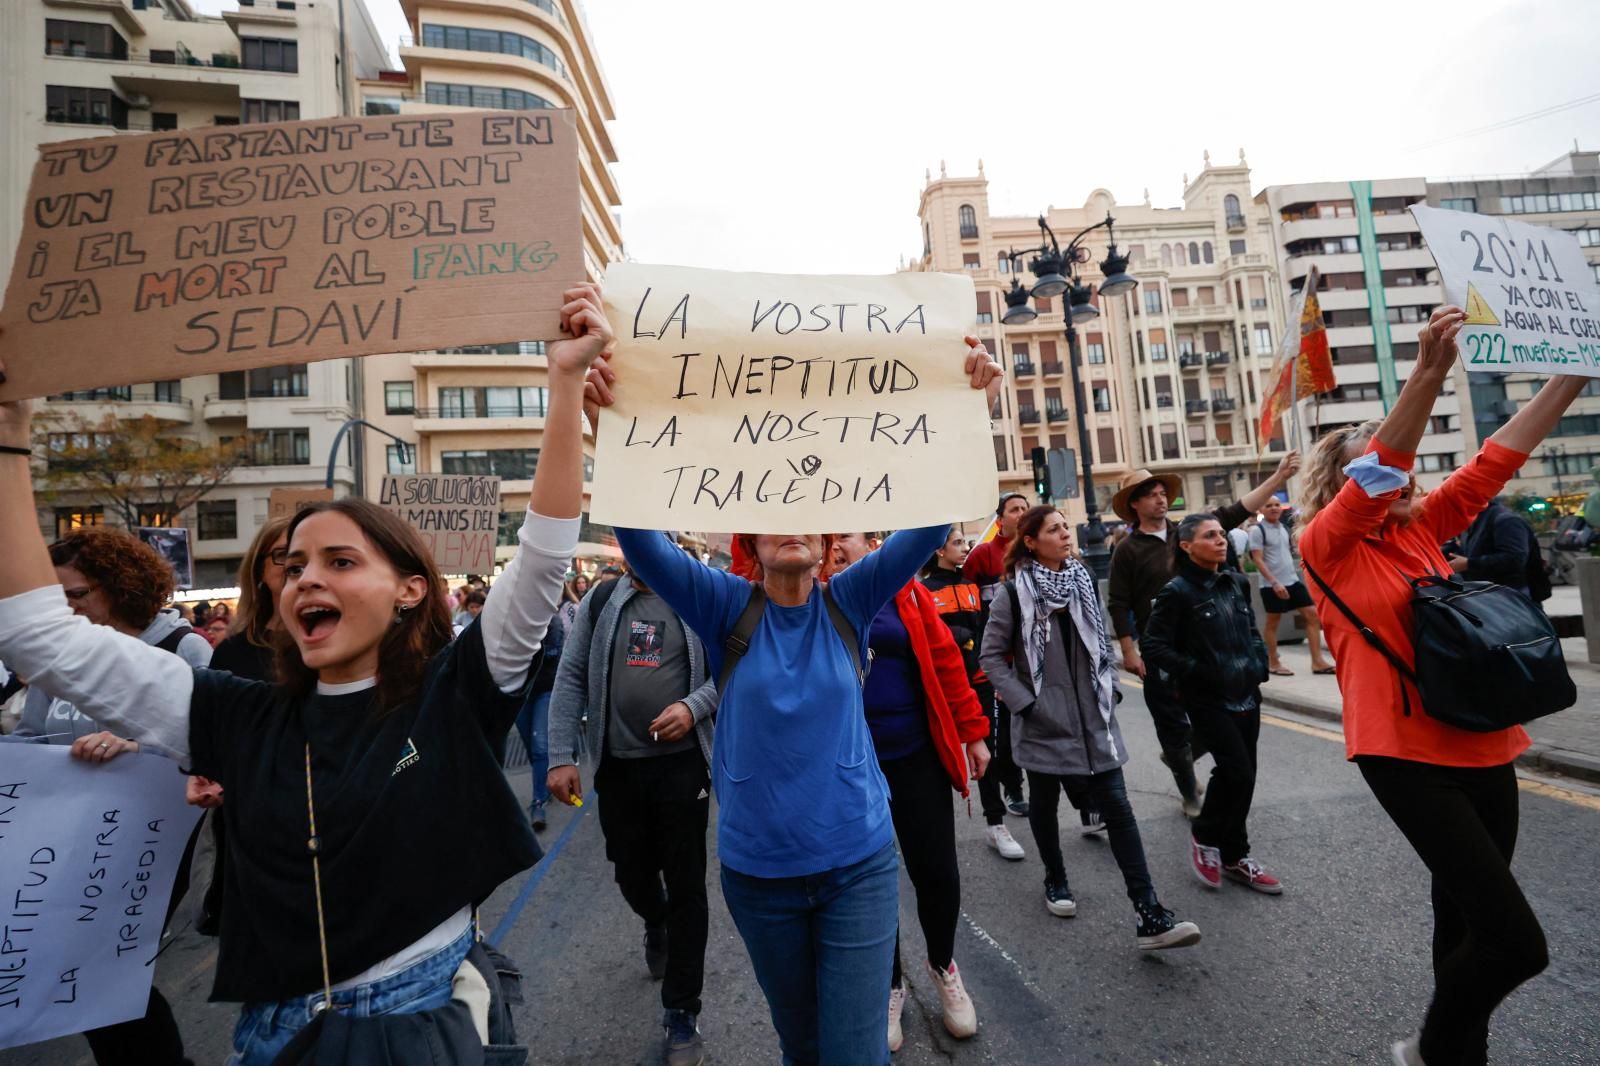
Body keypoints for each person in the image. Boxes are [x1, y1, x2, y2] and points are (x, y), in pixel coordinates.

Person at [0, 283, 613, 1064]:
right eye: (292, 568)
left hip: (418, 1029)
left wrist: (562, 384)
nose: (306, 580)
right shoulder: (230, 714)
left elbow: (544, 551)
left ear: (409, 590)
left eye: (340, 561)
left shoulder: (453, 696)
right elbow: (38, 634)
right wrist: (12, 438)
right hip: (275, 1040)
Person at [594, 336, 1003, 1066]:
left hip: (857, 867)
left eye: (808, 511)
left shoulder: (851, 598)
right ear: (750, 539)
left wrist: (971, 409)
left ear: (826, 540)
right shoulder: (725, 605)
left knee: (855, 1054)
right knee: (802, 1046)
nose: (791, 520)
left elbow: (933, 524)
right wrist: (614, 429)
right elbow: (644, 544)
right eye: (772, 511)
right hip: (759, 879)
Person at [1298, 305, 1585, 1066]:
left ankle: (1460, 1060)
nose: (1402, 473)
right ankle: (1432, 1048)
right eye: (1378, 466)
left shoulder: (1424, 527)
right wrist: (1427, 372)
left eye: (1407, 466)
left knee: (1461, 922)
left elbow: (1499, 458)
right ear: (1343, 481)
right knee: (1516, 944)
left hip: (1486, 740)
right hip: (1405, 753)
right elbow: (1383, 467)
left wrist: (1576, 372)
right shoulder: (1327, 544)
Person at [978, 505, 1201, 950]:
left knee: (1118, 810)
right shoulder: (1012, 594)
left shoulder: (1081, 582)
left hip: (1096, 720)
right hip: (1044, 723)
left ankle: (1149, 912)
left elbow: (1100, 642)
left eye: (1066, 527)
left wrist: (1111, 689)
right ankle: (1055, 878)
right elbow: (990, 659)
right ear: (1030, 541)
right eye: (1055, 529)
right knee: (1044, 803)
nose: (1066, 534)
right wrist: (1029, 705)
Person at [546, 567, 718, 1066]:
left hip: (684, 769)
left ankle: (682, 1013)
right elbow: (572, 674)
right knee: (630, 870)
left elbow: (731, 668)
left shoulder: (697, 592)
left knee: (688, 886)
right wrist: (560, 754)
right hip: (618, 770)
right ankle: (654, 918)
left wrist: (692, 707)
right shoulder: (602, 600)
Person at [833, 532, 990, 1052]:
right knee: (868, 881)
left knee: (937, 871)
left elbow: (948, 663)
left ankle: (943, 963)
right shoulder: (810, 598)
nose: (835, 545)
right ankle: (890, 984)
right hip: (850, 767)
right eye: (826, 536)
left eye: (845, 536)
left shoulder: (907, 592)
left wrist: (972, 732)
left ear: (873, 543)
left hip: (916, 757)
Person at [1106, 455, 1297, 816]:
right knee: (1171, 724)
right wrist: (1130, 653)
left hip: (1208, 647)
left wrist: (1279, 477)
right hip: (1161, 652)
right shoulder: (1126, 550)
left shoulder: (1191, 531)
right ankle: (1188, 789)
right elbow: (1118, 603)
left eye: (1163, 493)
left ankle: (1183, 754)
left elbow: (1240, 508)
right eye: (1151, 495)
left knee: (1217, 720)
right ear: (1135, 504)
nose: (1161, 500)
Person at [1141, 514, 1281, 895]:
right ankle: (1205, 836)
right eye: (1210, 536)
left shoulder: (1235, 582)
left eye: (1221, 534)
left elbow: (1251, 628)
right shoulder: (1178, 591)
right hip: (1208, 698)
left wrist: (1258, 665)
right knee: (1234, 771)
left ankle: (1236, 855)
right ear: (1187, 546)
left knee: (1246, 775)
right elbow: (1152, 646)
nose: (1221, 541)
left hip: (1247, 693)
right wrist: (1198, 671)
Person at [921, 528, 1029, 861]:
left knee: (989, 753)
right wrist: (953, 635)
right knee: (933, 760)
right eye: (957, 543)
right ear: (939, 551)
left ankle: (995, 823)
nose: (966, 548)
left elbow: (986, 634)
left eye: (966, 542)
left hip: (979, 681)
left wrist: (996, 678)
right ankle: (929, 832)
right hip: (937, 689)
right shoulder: (922, 591)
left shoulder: (971, 588)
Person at [960, 492, 1034, 818]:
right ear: (1000, 519)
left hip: (1031, 657)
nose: (1021, 513)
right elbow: (970, 605)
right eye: (1014, 509)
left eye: (1025, 508)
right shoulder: (981, 557)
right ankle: (1013, 790)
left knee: (1029, 726)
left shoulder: (1034, 551)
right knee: (1000, 731)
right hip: (995, 659)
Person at [1249, 497, 1334, 676]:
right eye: (1268, 505)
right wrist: (1274, 582)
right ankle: (1273, 661)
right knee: (1273, 622)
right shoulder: (1257, 531)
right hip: (1272, 585)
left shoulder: (1283, 528)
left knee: (1313, 615)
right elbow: (1257, 559)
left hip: (1292, 581)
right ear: (1261, 510)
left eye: (1277, 505)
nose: (1274, 508)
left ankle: (1317, 661)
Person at [1445, 497, 1536, 594]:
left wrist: (1469, 564)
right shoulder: (1474, 519)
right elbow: (1469, 549)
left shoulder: (1506, 520)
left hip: (1509, 596)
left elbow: (1515, 558)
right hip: (1487, 595)